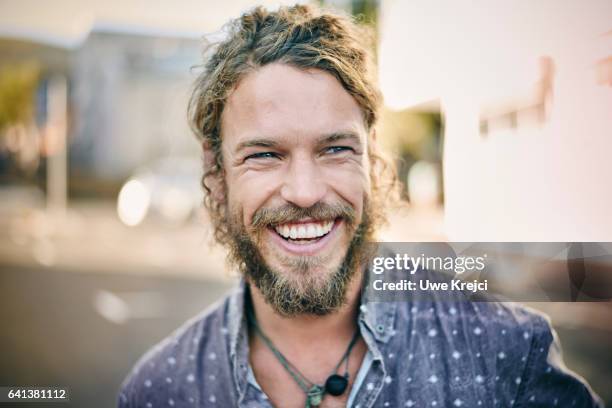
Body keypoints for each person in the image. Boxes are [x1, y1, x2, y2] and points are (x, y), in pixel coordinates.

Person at [118, 4, 603, 407]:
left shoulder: (506, 356)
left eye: (335, 149)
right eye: (264, 155)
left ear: (372, 157)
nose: (305, 193)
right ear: (217, 171)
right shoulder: (161, 390)